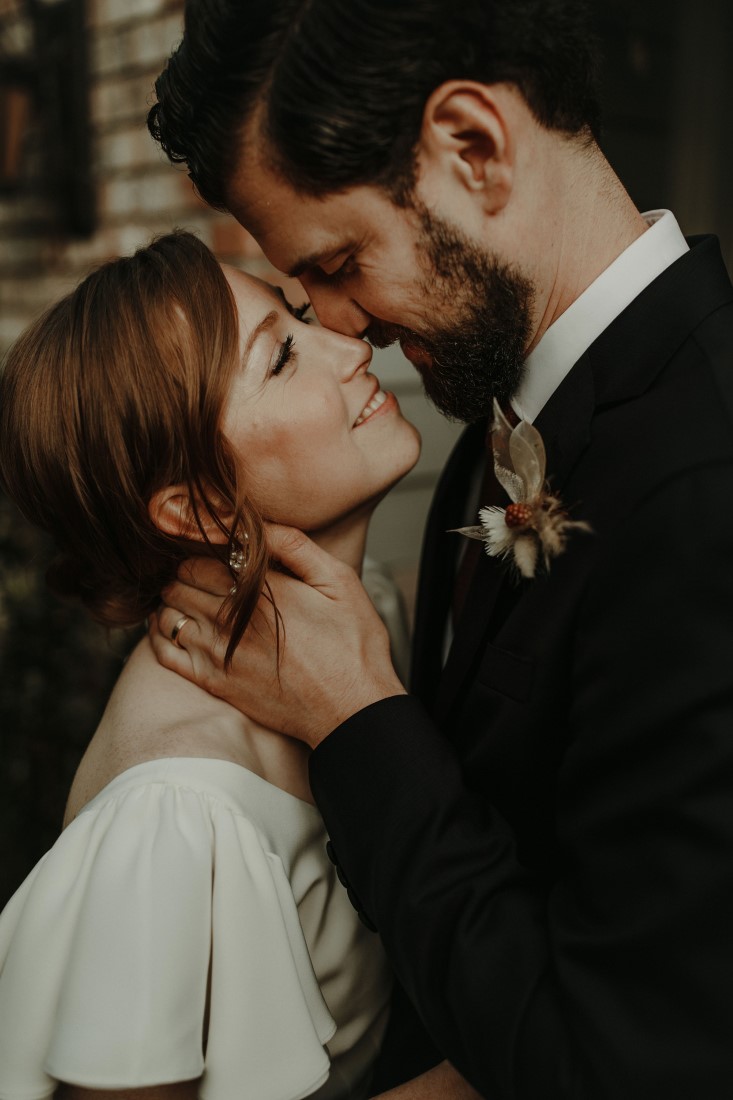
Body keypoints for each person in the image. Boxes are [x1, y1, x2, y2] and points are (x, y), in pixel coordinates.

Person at [146, 1, 733, 1097]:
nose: (342, 325)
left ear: (472, 146)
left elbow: (621, 1062)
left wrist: (357, 721)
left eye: (336, 260)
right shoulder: (498, 428)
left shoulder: (705, 498)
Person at [0, 231, 481, 1100]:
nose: (348, 346)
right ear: (198, 506)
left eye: (300, 316)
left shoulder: (352, 621)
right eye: (284, 356)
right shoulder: (174, 816)